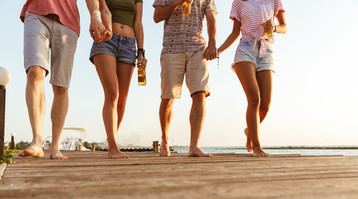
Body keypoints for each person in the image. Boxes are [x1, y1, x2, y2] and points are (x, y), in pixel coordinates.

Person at [218, 0, 287, 157]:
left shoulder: (274, 1)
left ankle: (249, 130)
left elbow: (284, 27)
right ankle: (257, 147)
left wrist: (274, 27)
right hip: (245, 49)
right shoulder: (238, 3)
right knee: (254, 99)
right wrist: (218, 51)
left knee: (265, 105)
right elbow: (235, 33)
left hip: (266, 50)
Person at [18, 0, 82, 159]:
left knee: (61, 86)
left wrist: (95, 15)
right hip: (37, 13)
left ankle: (55, 145)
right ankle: (37, 141)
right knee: (35, 71)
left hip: (68, 21)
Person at [153, 0, 218, 157]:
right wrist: (176, 2)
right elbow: (157, 17)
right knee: (168, 98)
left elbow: (211, 18)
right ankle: (165, 140)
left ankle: (194, 146)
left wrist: (212, 43)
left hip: (197, 48)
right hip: (171, 47)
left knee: (200, 93)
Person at [88, 0, 147, 159]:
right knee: (112, 94)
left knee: (122, 101)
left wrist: (141, 52)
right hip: (107, 40)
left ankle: (110, 139)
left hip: (129, 44)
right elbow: (98, 8)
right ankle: (113, 146)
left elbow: (138, 23)